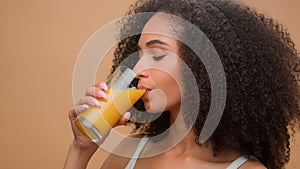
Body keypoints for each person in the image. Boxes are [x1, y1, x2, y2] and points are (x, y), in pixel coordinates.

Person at [64, 0, 300, 169]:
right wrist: (81, 150)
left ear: (201, 66)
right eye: (139, 54)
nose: (136, 70)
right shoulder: (130, 154)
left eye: (157, 54)